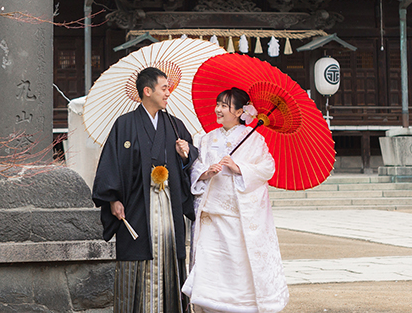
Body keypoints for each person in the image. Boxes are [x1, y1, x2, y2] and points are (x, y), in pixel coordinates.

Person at [92, 66, 199, 313]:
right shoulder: (125, 124)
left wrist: (186, 154)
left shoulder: (174, 125)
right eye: (164, 88)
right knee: (136, 260)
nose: (168, 93)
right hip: (137, 207)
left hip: (169, 205)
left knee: (170, 255)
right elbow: (111, 163)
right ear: (147, 91)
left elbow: (192, 161)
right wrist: (113, 200)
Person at [182, 87, 289, 313]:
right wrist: (206, 172)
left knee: (237, 270)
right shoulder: (207, 138)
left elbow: (267, 168)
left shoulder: (254, 139)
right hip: (211, 216)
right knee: (210, 267)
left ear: (241, 111)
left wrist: (239, 168)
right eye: (218, 104)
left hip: (238, 218)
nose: (218, 109)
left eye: (224, 105)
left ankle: (240, 307)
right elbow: (196, 167)